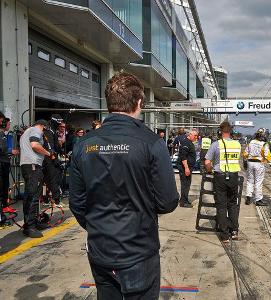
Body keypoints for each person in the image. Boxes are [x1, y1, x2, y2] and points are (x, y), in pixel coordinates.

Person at [69, 72, 178, 299]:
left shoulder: (83, 145)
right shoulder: (152, 143)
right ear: (139, 102)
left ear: (110, 104)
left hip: (100, 250)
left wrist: (99, 227)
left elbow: (77, 203)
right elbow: (167, 201)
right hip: (138, 250)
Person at [205, 121, 242, 242]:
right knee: (232, 204)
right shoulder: (237, 144)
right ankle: (234, 231)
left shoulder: (216, 144)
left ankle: (225, 235)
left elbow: (207, 162)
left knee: (221, 206)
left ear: (221, 131)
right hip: (233, 177)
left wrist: (210, 171)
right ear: (230, 131)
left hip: (220, 177)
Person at [19, 119, 55, 237]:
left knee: (31, 195)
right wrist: (48, 153)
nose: (44, 132)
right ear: (42, 126)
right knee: (33, 196)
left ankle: (32, 222)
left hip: (27, 165)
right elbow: (35, 145)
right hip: (33, 166)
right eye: (44, 129)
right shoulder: (36, 130)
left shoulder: (26, 132)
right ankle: (30, 227)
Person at [243, 128, 271, 206]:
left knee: (250, 181)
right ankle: (258, 199)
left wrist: (245, 162)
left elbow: (245, 153)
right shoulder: (264, 144)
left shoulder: (251, 142)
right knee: (258, 182)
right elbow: (267, 155)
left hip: (250, 162)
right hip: (259, 164)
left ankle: (248, 197)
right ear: (264, 135)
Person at [42, 114, 64, 207]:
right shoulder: (48, 130)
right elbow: (49, 146)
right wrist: (54, 158)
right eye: (58, 123)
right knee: (53, 179)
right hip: (49, 159)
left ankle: (46, 199)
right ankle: (56, 200)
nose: (59, 125)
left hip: (47, 158)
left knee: (46, 180)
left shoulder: (52, 130)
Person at [1, 116, 19, 215]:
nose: (9, 126)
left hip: (5, 163)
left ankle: (5, 206)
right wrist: (11, 151)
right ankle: (3, 208)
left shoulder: (5, 134)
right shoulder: (1, 134)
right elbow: (2, 149)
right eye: (8, 124)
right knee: (2, 186)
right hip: (2, 163)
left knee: (5, 186)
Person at [177, 129, 198, 208]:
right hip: (185, 167)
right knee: (185, 184)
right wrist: (186, 168)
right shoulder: (186, 142)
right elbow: (183, 156)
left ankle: (184, 199)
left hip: (188, 167)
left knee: (187, 184)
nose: (196, 137)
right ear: (190, 135)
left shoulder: (189, 142)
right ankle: (183, 202)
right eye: (195, 135)